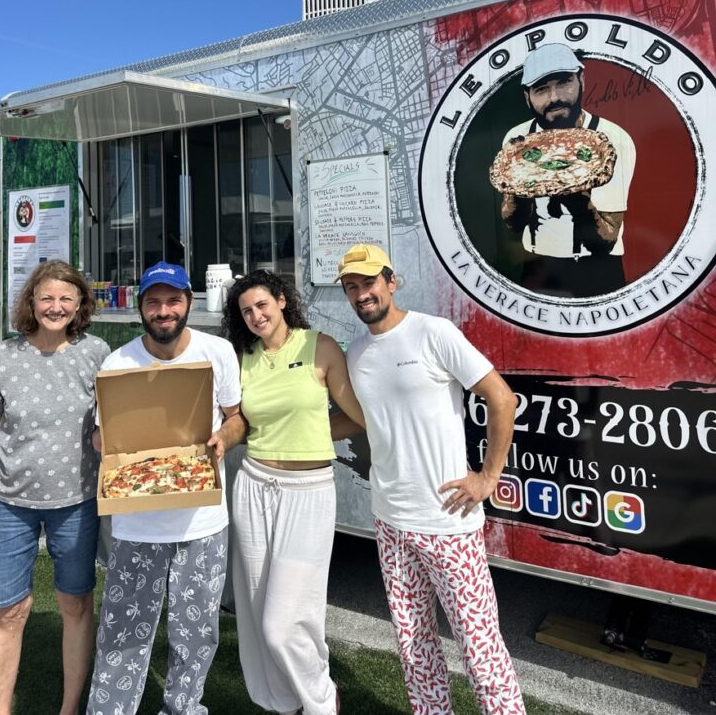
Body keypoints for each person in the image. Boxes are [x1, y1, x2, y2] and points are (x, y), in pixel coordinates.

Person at [338, 243, 525, 715]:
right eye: (352, 287)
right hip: (390, 522)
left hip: (448, 523)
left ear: (391, 281)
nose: (362, 294)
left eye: (369, 282)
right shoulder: (356, 352)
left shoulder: (433, 332)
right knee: (415, 645)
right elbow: (366, 419)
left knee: (481, 652)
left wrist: (487, 477)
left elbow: (502, 399)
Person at [86, 262, 244, 715]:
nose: (163, 311)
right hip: (137, 525)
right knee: (124, 628)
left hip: (204, 521)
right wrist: (109, 444)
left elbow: (236, 418)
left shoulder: (219, 353)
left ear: (188, 303)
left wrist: (222, 441)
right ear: (141, 308)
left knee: (195, 631)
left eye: (172, 300)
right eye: (153, 302)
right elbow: (103, 437)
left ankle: (184, 706)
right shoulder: (118, 363)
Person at [0, 260, 109, 715]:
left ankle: (70, 708)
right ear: (31, 301)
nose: (56, 306)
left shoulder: (96, 353)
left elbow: (109, 427)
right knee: (10, 611)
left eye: (67, 298)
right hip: (9, 505)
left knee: (75, 603)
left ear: (80, 304)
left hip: (77, 503)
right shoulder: (5, 356)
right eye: (47, 297)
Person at [221, 269, 365, 715]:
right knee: (256, 607)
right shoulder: (241, 356)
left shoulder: (319, 346)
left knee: (284, 621)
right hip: (253, 485)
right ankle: (282, 702)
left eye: (262, 305)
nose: (255, 316)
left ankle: (321, 700)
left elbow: (357, 415)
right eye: (246, 311)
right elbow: (241, 422)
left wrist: (314, 433)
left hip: (308, 492)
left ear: (282, 301)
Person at [500, 42, 636, 297]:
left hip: (597, 270)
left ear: (581, 80)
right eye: (541, 89)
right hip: (537, 266)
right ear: (527, 97)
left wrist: (574, 194)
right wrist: (520, 183)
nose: (555, 98)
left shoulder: (611, 140)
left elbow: (605, 241)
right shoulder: (517, 138)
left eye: (564, 83)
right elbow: (514, 223)